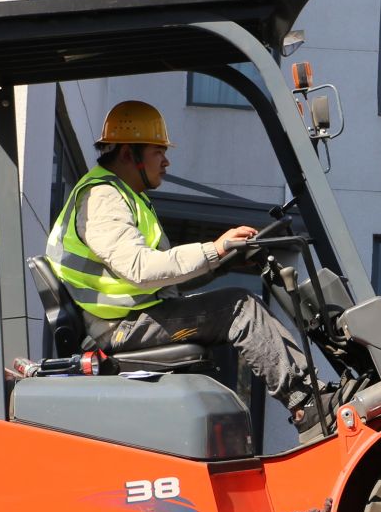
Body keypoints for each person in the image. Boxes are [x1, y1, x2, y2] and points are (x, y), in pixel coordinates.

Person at [46, 99, 309, 411]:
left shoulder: (129, 198)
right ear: (130, 153)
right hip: (119, 327)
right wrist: (215, 248)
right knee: (240, 308)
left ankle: (307, 394)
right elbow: (140, 268)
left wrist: (225, 261)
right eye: (159, 152)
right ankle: (307, 404)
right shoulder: (103, 197)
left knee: (236, 302)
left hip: (131, 317)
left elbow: (164, 280)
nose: (166, 162)